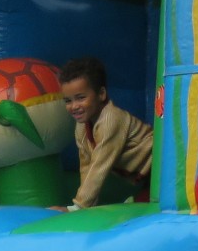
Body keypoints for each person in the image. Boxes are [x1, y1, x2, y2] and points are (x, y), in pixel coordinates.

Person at [54, 56, 153, 211]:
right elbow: (86, 165)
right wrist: (84, 206)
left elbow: (99, 164)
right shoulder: (81, 126)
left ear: (101, 94)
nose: (74, 106)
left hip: (157, 165)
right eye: (68, 101)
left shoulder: (111, 120)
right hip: (144, 177)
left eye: (80, 98)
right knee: (142, 201)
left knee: (150, 205)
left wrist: (78, 206)